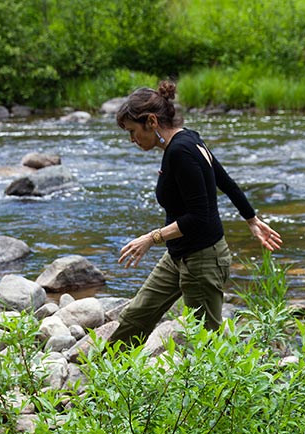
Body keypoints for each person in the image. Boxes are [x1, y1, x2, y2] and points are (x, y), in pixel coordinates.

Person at [111, 80, 282, 347]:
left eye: (133, 132)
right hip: (178, 255)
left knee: (204, 344)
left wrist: (151, 238)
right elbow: (223, 180)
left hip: (203, 260)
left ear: (152, 121)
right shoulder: (186, 139)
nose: (132, 140)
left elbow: (199, 216)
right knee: (136, 316)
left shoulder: (181, 150)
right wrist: (251, 219)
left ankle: (224, 388)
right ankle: (105, 378)